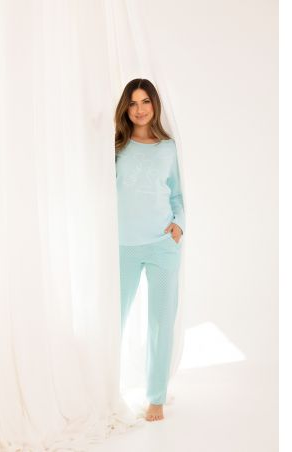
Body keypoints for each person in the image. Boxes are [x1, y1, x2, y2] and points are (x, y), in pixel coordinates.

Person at [114, 78, 185, 422]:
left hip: (162, 245)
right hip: (123, 246)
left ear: (155, 104)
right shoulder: (115, 147)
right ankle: (102, 388)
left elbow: (178, 193)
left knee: (161, 323)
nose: (139, 109)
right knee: (113, 319)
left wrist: (179, 224)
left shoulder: (169, 148)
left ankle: (155, 397)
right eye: (133, 103)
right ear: (125, 108)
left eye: (145, 101)